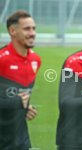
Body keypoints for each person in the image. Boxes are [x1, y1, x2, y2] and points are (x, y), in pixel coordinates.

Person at [0, 10, 40, 149]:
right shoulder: (2, 59)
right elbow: (13, 100)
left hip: (21, 139)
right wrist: (16, 103)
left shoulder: (36, 60)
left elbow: (14, 96)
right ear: (12, 31)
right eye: (27, 29)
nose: (32, 33)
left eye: (34, 28)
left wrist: (25, 108)